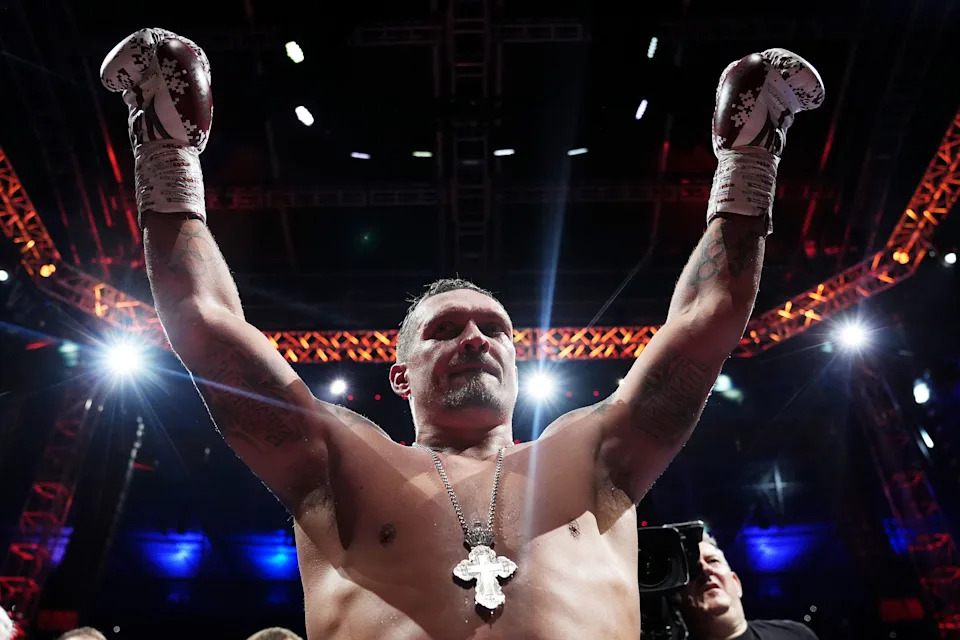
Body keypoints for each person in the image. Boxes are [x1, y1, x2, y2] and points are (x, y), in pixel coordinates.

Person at [99, 28, 824, 639]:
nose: (476, 338)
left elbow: (708, 318)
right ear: (400, 374)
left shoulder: (596, 453)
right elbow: (204, 324)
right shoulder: (339, 461)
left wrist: (747, 158)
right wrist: (166, 152)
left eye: (496, 329)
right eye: (445, 329)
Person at [682, 534, 818, 640]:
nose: (705, 570)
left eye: (713, 561)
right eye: (693, 568)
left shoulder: (795, 635)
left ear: (736, 583)